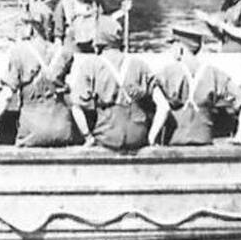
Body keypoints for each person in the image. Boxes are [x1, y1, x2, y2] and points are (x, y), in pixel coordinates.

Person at [68, 16, 171, 151]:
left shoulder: (91, 66)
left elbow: (76, 107)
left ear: (98, 41)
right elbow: (164, 107)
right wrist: (151, 138)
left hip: (107, 138)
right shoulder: (139, 64)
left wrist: (88, 137)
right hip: (137, 137)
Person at [0, 1, 76, 146]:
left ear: (33, 27)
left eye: (25, 23)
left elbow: (6, 96)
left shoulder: (19, 52)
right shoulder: (63, 53)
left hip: (32, 131)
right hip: (62, 129)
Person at [155, 21, 241, 146]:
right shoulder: (214, 74)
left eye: (172, 45)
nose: (171, 50)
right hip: (204, 142)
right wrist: (240, 136)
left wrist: (152, 138)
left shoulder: (167, 73)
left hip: (174, 144)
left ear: (180, 48)